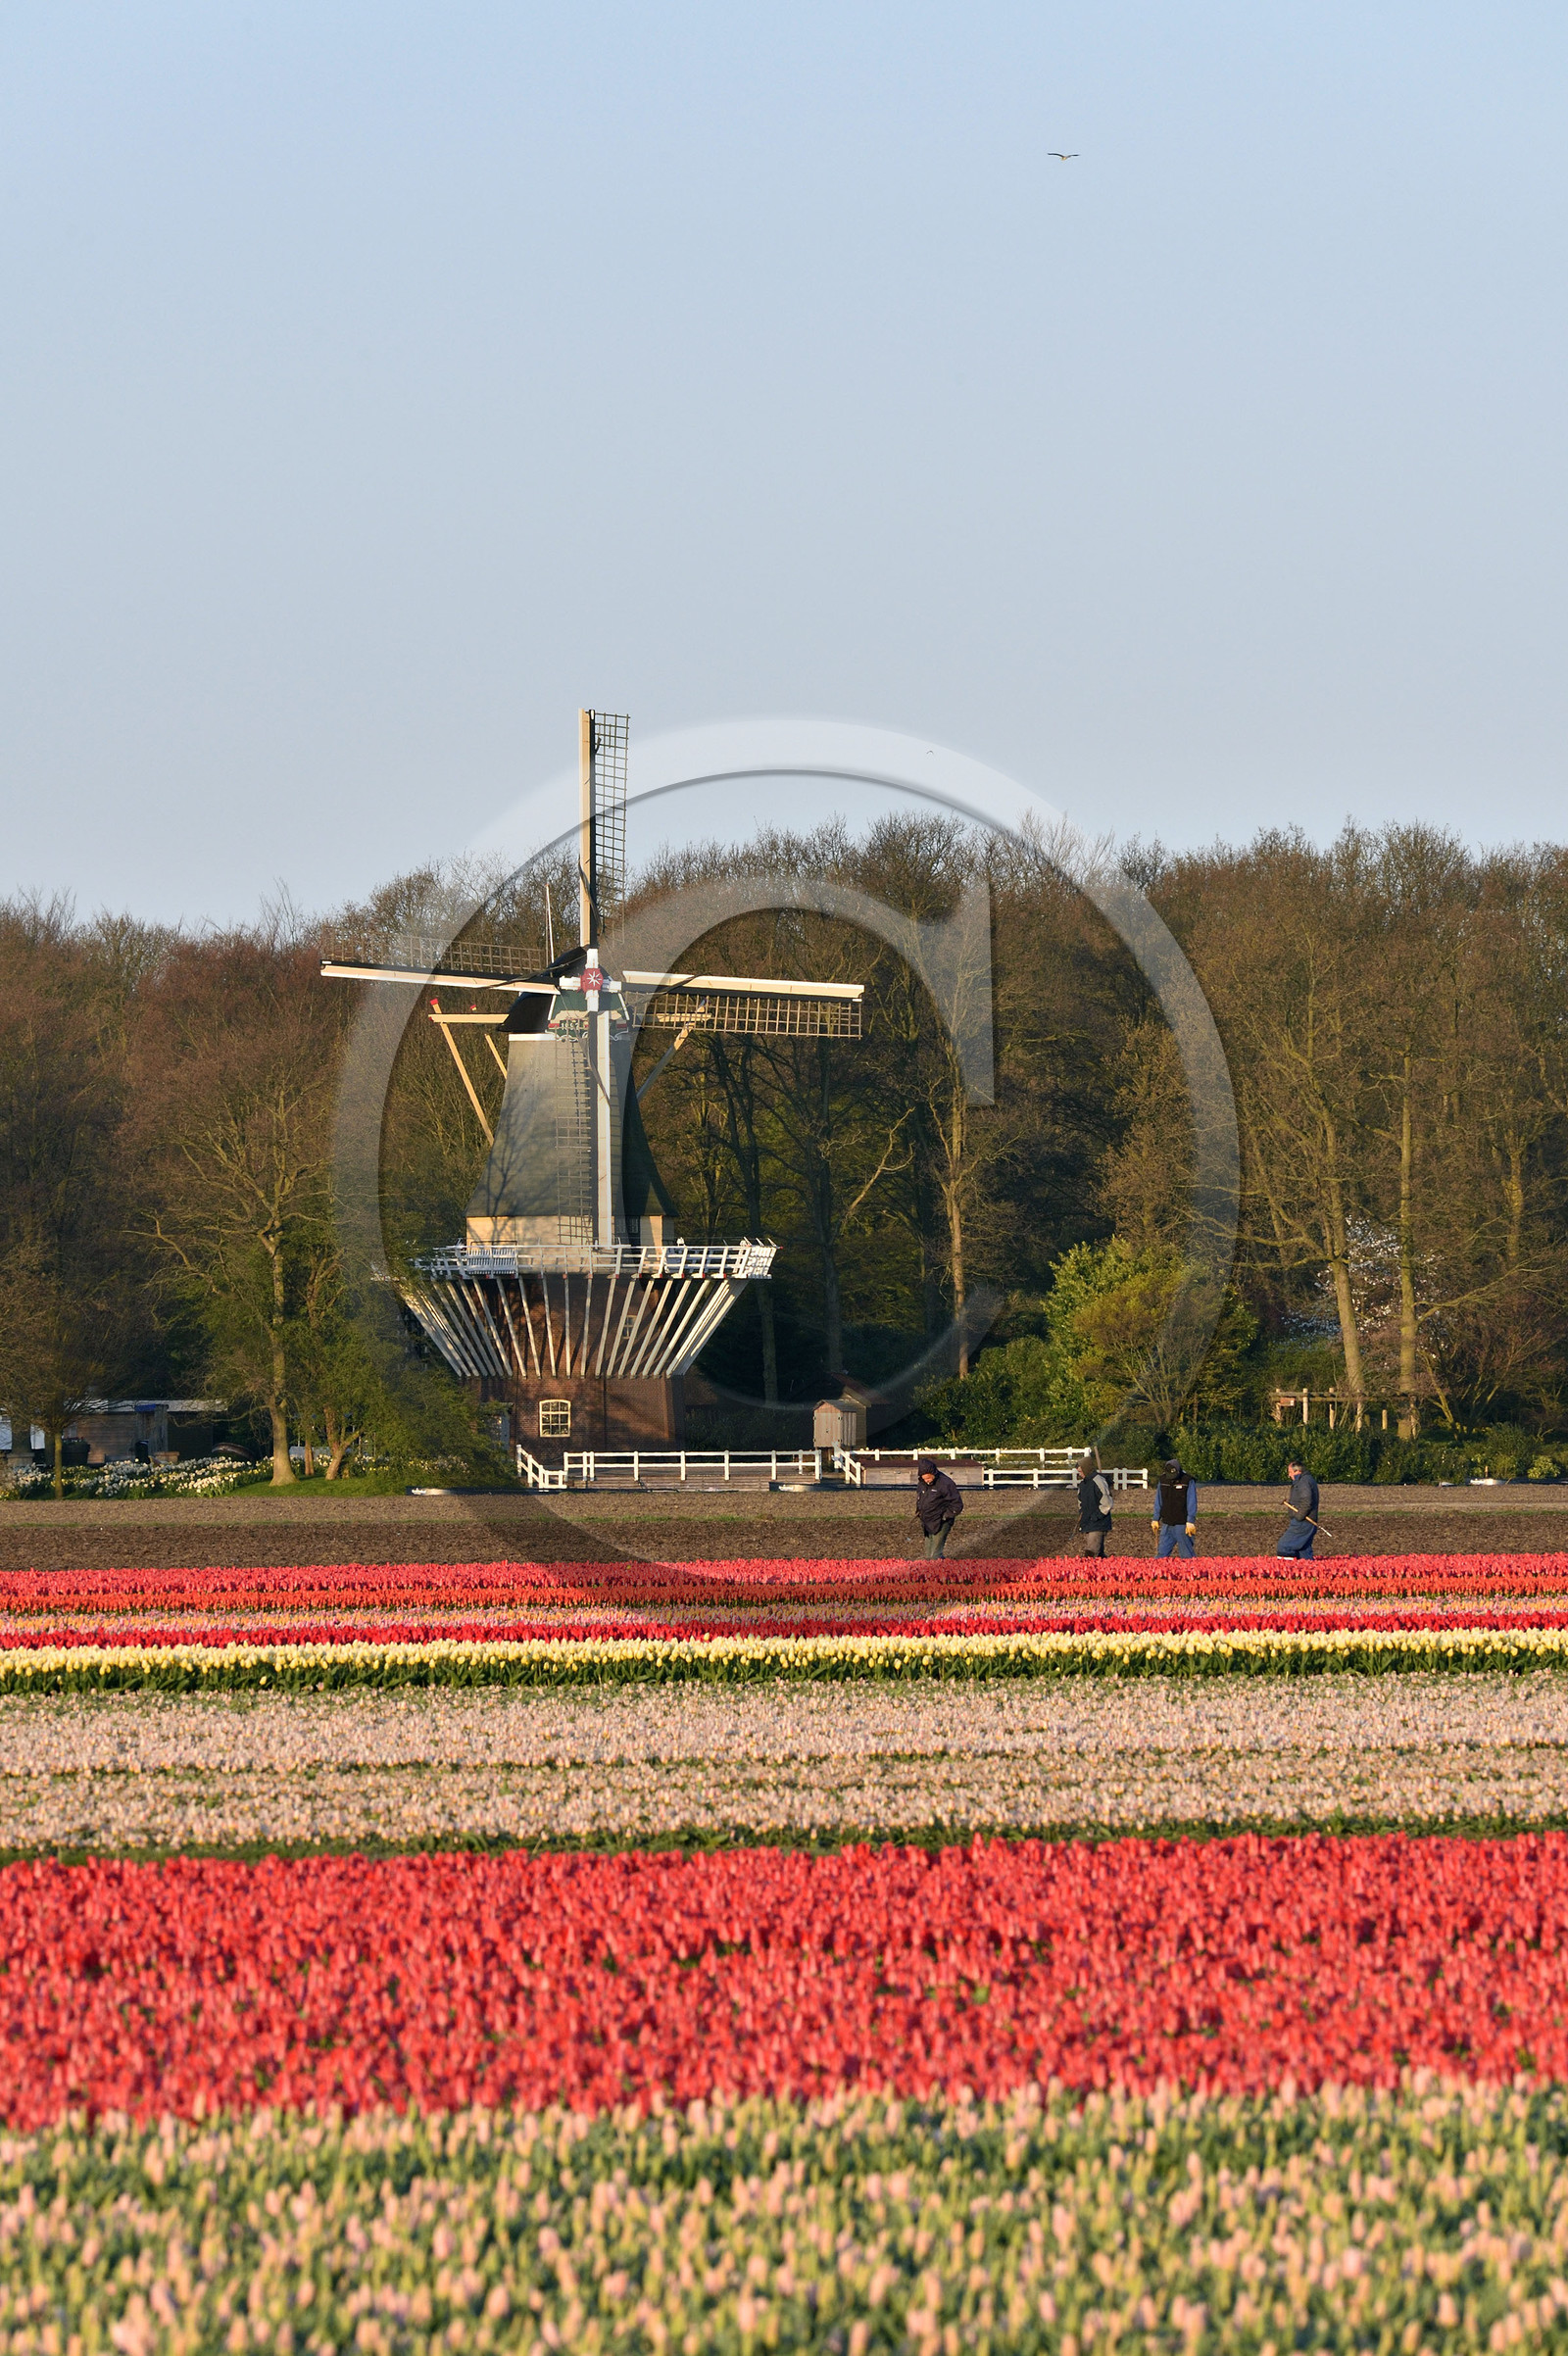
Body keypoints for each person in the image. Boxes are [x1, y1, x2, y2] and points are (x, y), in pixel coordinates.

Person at [914, 1457, 963, 1558]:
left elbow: (957, 1504)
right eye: (925, 1478)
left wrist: (945, 1516)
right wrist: (919, 1511)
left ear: (934, 1473)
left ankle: (946, 1571)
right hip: (927, 1521)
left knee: (935, 1555)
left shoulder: (945, 1483)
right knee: (928, 1556)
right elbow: (921, 1499)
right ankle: (934, 1572)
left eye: (929, 1478)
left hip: (941, 1521)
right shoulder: (922, 1484)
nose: (927, 1481)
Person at [1151, 1457, 1198, 1559]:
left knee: (1187, 1556)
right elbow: (1159, 1500)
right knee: (1161, 1555)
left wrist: (1190, 1520)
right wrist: (1155, 1518)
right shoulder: (1163, 1480)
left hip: (1182, 1524)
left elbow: (1191, 1501)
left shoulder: (1187, 1480)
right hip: (1167, 1524)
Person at [1278, 1458, 1320, 1558]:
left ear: (1298, 1471)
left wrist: (1299, 1516)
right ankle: (1308, 1571)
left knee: (1284, 1546)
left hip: (1304, 1521)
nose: (1289, 1475)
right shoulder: (1305, 1480)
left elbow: (1307, 1501)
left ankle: (1287, 1570)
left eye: (1290, 1472)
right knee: (1303, 1551)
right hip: (1305, 1520)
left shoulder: (1304, 1482)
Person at [1077, 1453, 1114, 1556]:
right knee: (1099, 1555)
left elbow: (1107, 1502)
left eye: (1080, 1471)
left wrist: (1096, 1516)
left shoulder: (1099, 1481)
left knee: (1091, 1553)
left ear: (1086, 1469)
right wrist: (1082, 1513)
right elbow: (1080, 1501)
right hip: (1089, 1521)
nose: (1080, 1474)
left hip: (1098, 1522)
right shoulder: (1083, 1484)